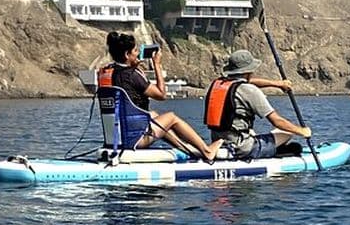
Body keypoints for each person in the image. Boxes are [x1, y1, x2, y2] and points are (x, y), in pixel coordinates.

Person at [101, 31, 223, 162]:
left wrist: (134, 67)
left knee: (153, 114)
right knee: (171, 117)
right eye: (135, 50)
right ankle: (207, 150)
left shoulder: (113, 72)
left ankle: (185, 148)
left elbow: (127, 84)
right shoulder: (133, 75)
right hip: (136, 139)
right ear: (127, 54)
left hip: (120, 136)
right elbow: (161, 94)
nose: (138, 53)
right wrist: (157, 65)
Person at [204, 49, 311, 160]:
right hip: (242, 148)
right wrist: (302, 131)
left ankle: (227, 151)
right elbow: (277, 121)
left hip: (219, 142)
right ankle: (265, 152)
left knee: (252, 132)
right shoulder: (250, 91)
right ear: (248, 71)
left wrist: (277, 84)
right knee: (287, 133)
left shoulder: (219, 84)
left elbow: (248, 82)